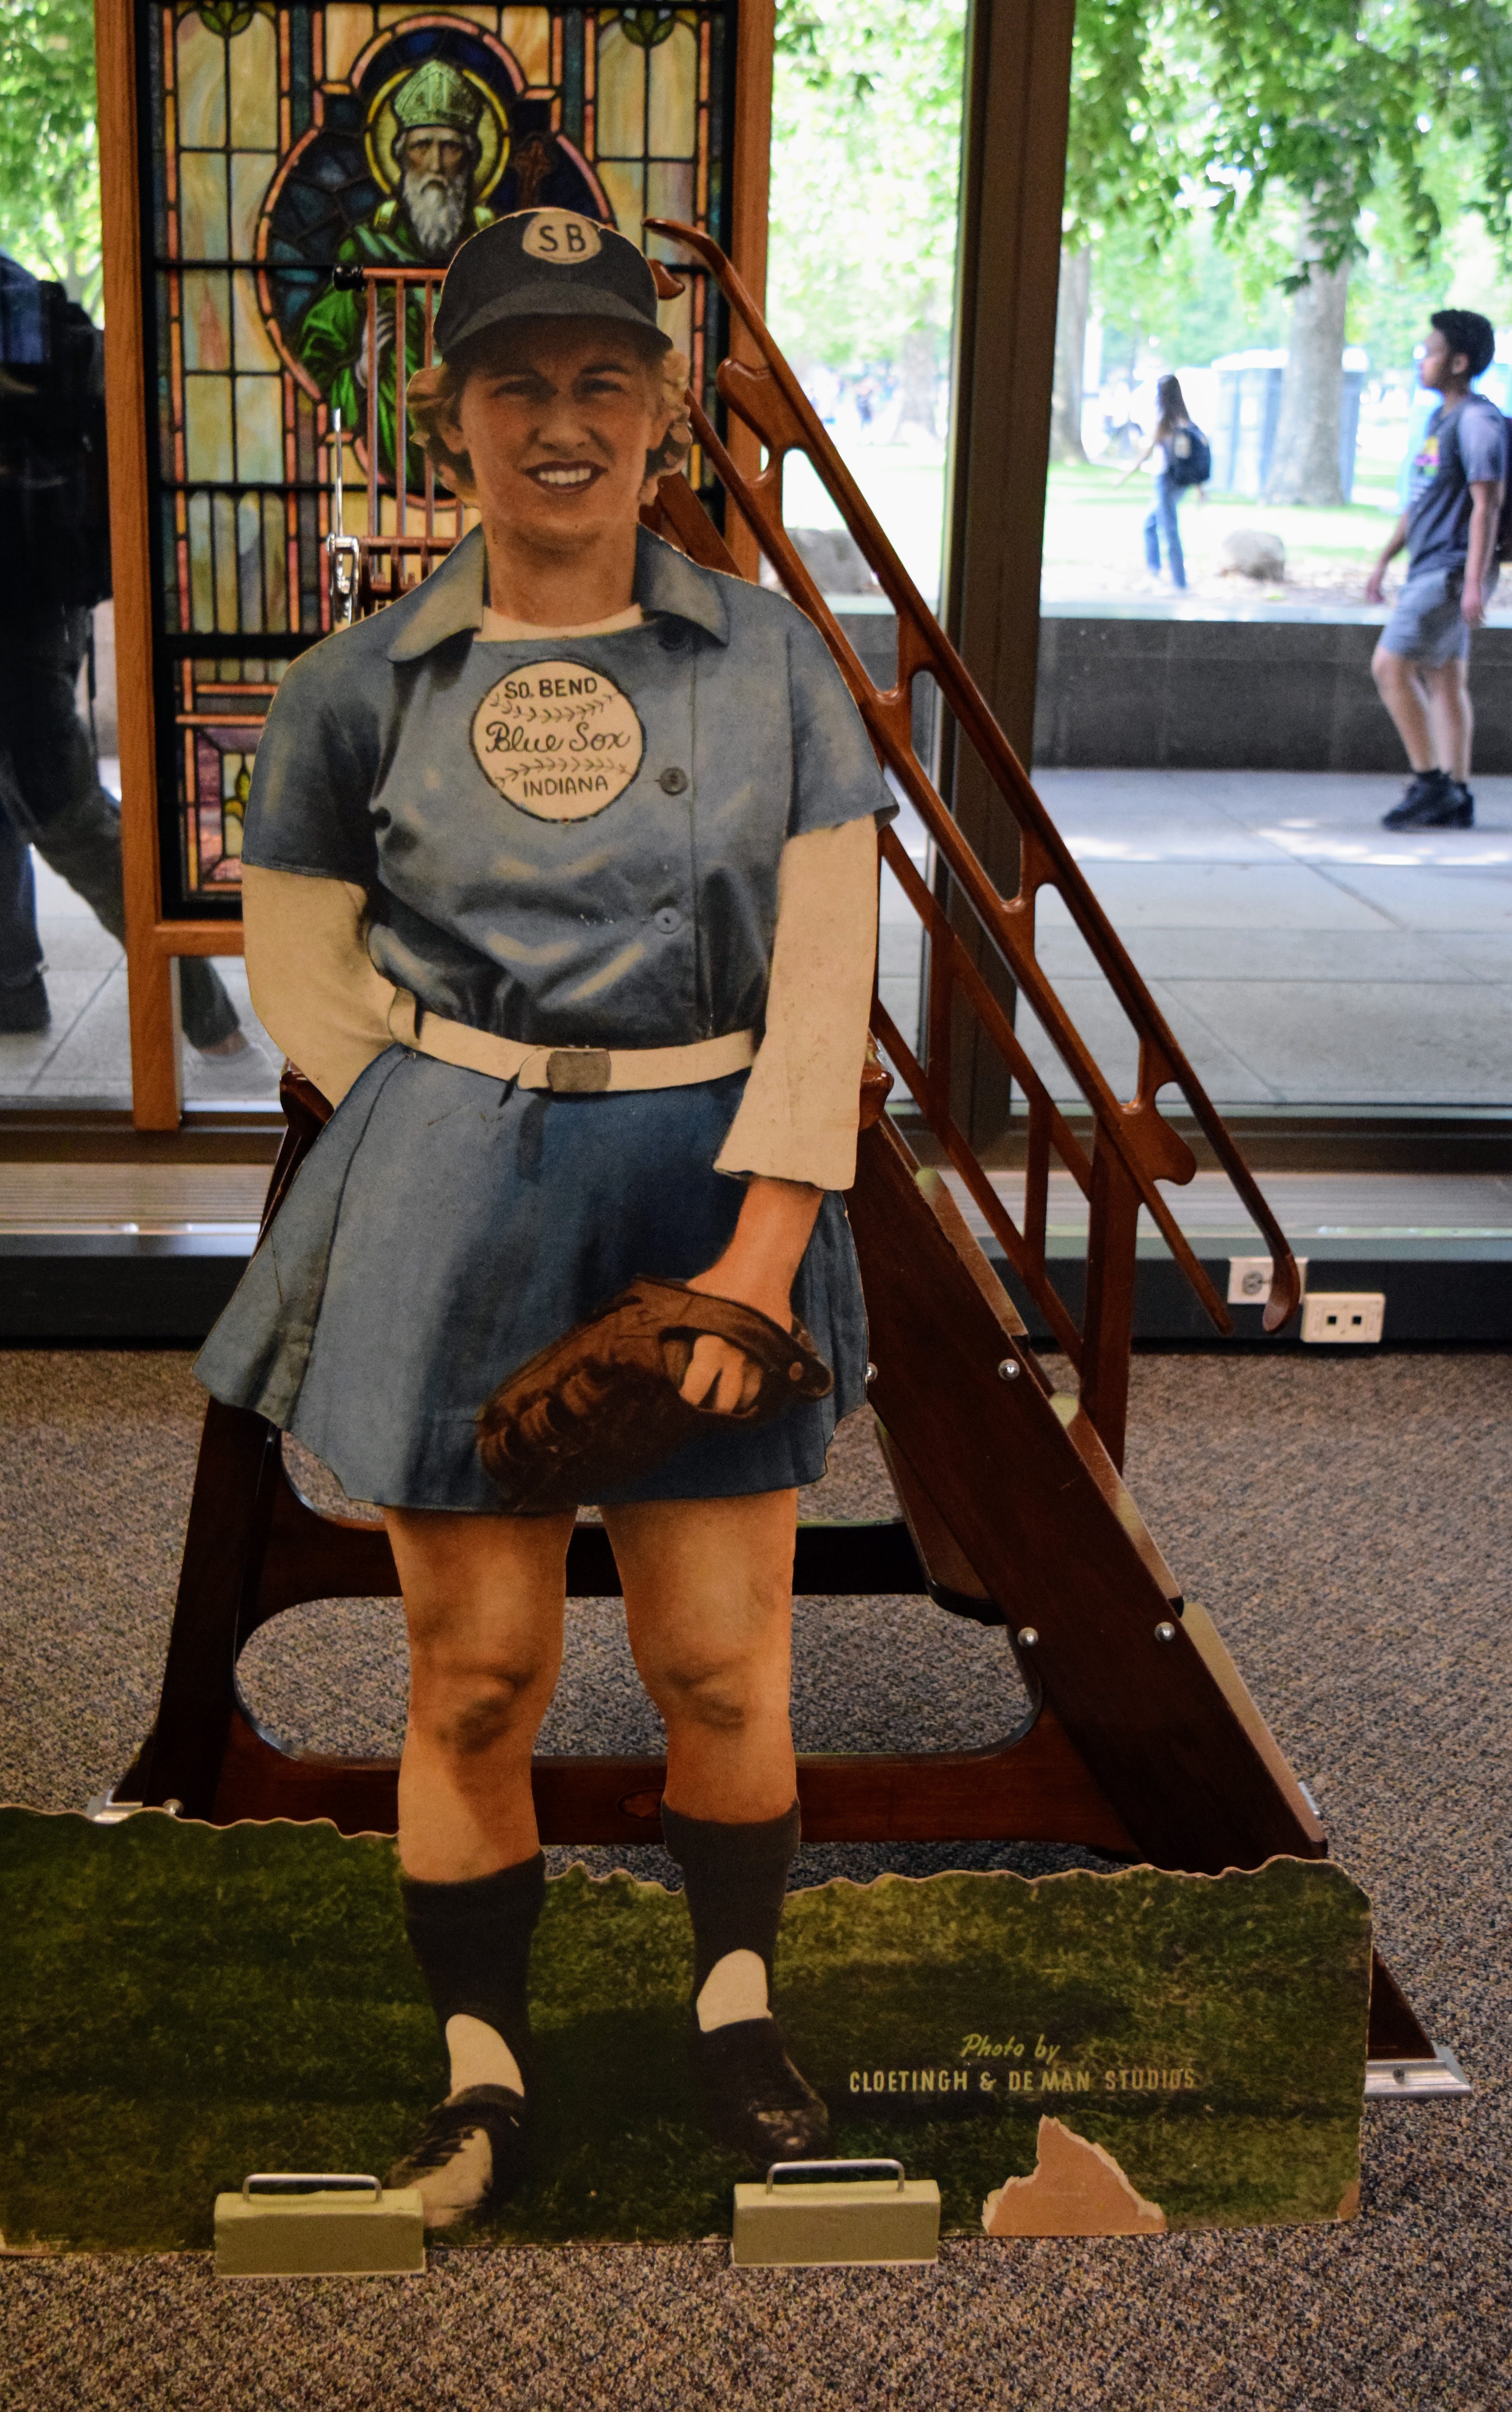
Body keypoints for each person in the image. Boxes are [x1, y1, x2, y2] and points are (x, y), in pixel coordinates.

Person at [194, 209, 887, 2225]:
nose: (561, 420)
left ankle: (733, 2015)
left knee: (718, 1660)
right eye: (517, 383)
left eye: (603, 379)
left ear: (662, 413)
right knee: (476, 1666)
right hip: (459, 1190)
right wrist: (456, 1110)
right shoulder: (355, 684)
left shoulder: (771, 663)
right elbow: (303, 969)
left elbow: (826, 975)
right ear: (452, 416)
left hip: (711, 1184)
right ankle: (480, 2073)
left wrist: (754, 1265)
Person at [0, 100, 243, 1051]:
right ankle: (4, 986)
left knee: (62, 813)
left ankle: (204, 1015)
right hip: (16, 600)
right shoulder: (19, 291)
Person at [296, 59, 495, 488]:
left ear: (471, 160)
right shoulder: (365, 253)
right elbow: (311, 376)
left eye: (451, 147)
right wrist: (362, 369)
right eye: (423, 146)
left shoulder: (498, 254)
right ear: (401, 157)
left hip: (488, 470)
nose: (436, 165)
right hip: (378, 478)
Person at [1366, 308, 1507, 831]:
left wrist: (1473, 584)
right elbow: (1421, 501)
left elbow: (1487, 504)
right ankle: (1457, 794)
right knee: (1445, 678)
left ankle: (1431, 785)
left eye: (1430, 352)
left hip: (1450, 571)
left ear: (1460, 362)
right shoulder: (1440, 422)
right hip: (1432, 566)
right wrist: (1385, 559)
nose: (1421, 361)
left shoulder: (1478, 422)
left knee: (1389, 666)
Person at [1117, 374, 1202, 591]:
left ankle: (1178, 582)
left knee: (1169, 530)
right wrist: (1199, 488)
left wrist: (1125, 476)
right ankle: (1157, 574)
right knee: (1151, 525)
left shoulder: (1166, 422)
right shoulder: (1185, 420)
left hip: (1166, 481)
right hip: (1180, 483)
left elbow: (1147, 453)